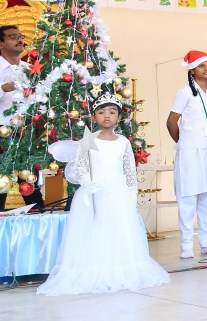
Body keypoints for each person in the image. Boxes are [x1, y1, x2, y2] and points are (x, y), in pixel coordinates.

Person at [38, 93, 170, 295]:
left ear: (119, 116)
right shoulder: (88, 140)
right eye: (101, 112)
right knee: (95, 230)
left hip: (117, 193)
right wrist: (87, 182)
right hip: (94, 191)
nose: (107, 116)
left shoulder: (123, 142)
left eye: (112, 112)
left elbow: (129, 170)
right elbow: (81, 166)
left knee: (118, 230)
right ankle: (94, 268)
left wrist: (131, 193)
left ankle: (119, 268)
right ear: (94, 116)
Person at [166, 50, 207, 259]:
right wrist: (183, 142)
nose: (206, 69)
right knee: (188, 197)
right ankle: (186, 245)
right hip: (190, 152)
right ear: (192, 69)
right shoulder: (184, 92)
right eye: (201, 65)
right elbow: (171, 122)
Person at [0, 25, 41, 211]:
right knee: (1, 183)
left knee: (30, 182)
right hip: (2, 130)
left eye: (21, 36)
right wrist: (2, 88)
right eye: (12, 36)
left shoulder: (30, 69)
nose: (19, 40)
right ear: (1, 44)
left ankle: (39, 219)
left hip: (26, 131)